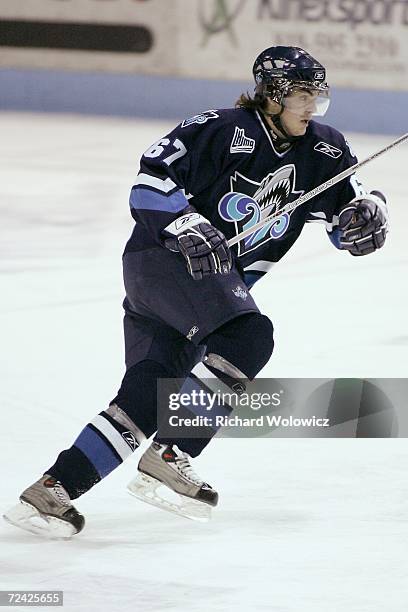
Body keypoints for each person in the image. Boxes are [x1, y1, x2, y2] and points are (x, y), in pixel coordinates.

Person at [3, 46, 388, 538]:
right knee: (250, 337)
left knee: (148, 398)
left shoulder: (325, 151)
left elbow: (349, 215)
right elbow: (150, 179)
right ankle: (172, 453)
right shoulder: (221, 128)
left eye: (318, 96)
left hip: (204, 292)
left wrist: (368, 214)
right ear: (271, 96)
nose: (311, 107)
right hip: (165, 264)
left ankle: (52, 491)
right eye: (300, 95)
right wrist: (183, 223)